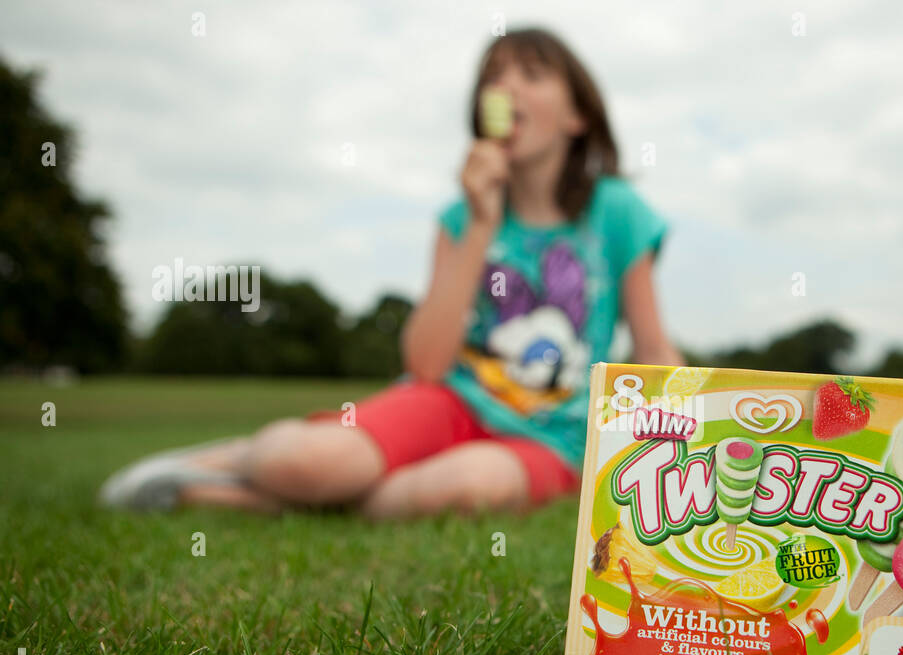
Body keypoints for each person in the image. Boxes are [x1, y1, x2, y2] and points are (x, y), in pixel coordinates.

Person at [100, 28, 682, 518]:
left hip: (554, 434)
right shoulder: (459, 218)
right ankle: (232, 461)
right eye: (493, 77)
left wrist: (691, 440)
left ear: (578, 114)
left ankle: (216, 497)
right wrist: (481, 224)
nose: (505, 87)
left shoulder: (617, 213)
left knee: (468, 489)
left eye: (530, 75)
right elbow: (426, 364)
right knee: (305, 462)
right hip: (448, 400)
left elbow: (653, 347)